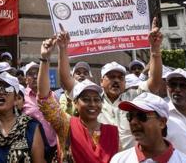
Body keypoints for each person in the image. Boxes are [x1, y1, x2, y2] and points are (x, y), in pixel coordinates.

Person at [58, 18, 164, 150]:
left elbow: (155, 82)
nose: (116, 80)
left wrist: (155, 49)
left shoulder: (135, 97)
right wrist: (63, 49)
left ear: (125, 82)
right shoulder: (93, 99)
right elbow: (66, 80)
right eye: (111, 77)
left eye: (120, 77)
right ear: (101, 81)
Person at [37, 34, 119, 163]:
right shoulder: (66, 125)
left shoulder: (113, 133)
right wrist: (45, 59)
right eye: (86, 99)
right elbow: (44, 99)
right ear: (75, 103)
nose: (92, 104)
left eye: (96, 100)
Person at [111, 92, 186, 163]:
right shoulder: (119, 160)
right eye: (130, 116)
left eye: (141, 116)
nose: (133, 122)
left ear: (162, 122)